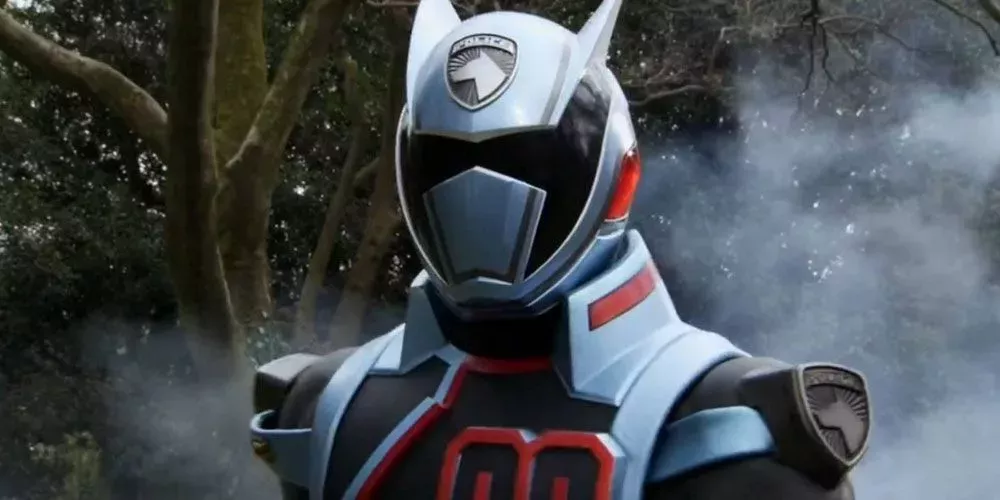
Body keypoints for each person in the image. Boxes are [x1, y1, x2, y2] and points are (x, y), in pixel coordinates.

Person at [248, 0, 873, 498]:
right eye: (451, 162)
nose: (480, 194)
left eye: (519, 158)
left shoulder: (324, 402)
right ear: (626, 174)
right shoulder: (737, 420)